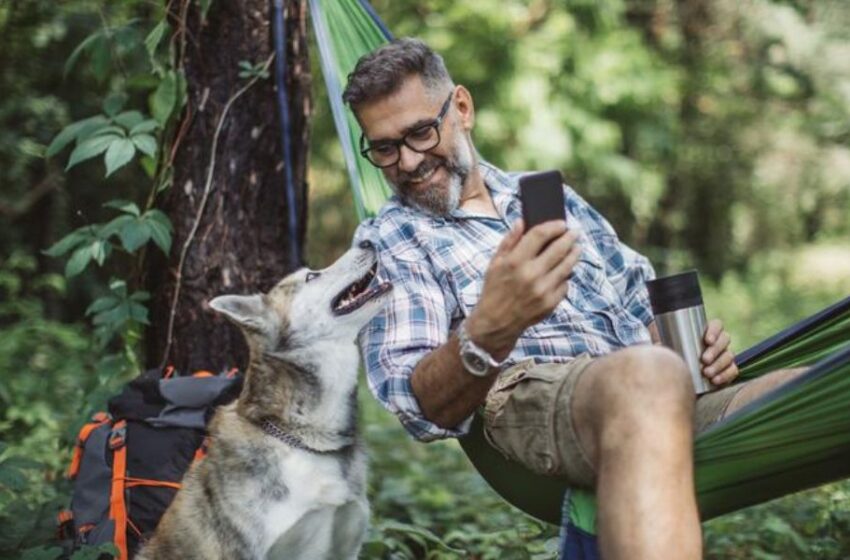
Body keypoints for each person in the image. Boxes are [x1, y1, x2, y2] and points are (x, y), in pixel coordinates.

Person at [345, 37, 802, 559]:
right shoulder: (391, 239)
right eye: (384, 147)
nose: (407, 161)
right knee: (645, 376)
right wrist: (489, 327)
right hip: (528, 395)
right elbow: (416, 403)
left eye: (421, 134)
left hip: (655, 393)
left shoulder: (548, 198)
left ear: (462, 109)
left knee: (809, 388)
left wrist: (696, 354)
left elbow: (636, 301)